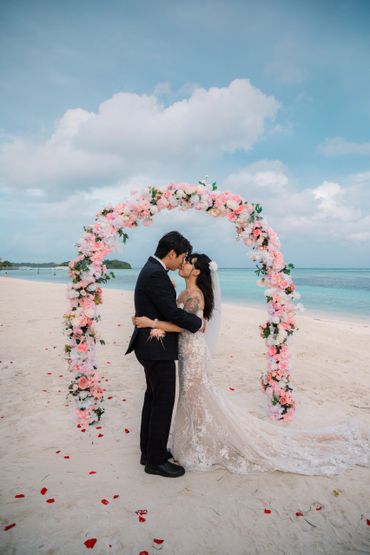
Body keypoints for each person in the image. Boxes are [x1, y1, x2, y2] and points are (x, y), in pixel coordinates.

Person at [134, 253, 369, 476]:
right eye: (184, 260)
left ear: (196, 271)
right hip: (185, 352)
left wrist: (151, 322)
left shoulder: (195, 296)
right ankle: (189, 443)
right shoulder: (185, 294)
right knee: (190, 398)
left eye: (189, 262)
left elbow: (191, 325)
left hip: (194, 353)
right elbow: (177, 316)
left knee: (194, 398)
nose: (184, 264)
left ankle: (197, 446)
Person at [126, 231, 202, 478]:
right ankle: (155, 461)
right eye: (181, 257)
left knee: (152, 398)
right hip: (156, 350)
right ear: (171, 253)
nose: (182, 262)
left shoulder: (151, 270)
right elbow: (172, 313)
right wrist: (198, 323)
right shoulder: (156, 274)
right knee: (162, 403)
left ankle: (149, 452)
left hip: (149, 347)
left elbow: (162, 307)